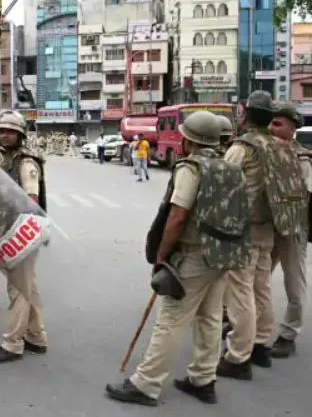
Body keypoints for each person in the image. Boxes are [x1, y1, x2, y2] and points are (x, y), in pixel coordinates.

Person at [106, 110, 250, 406]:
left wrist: (162, 254)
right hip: (223, 254)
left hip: (194, 254)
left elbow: (177, 215)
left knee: (171, 319)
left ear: (189, 140)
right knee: (209, 318)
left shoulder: (191, 168)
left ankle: (146, 384)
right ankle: (203, 379)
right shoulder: (229, 167)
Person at [218, 91, 307, 380]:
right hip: (269, 227)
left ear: (245, 116)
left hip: (244, 229)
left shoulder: (243, 148)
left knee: (240, 290)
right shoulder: (281, 147)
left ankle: (237, 356)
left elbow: (223, 188)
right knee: (261, 287)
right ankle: (260, 344)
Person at [0, 111, 48, 364]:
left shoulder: (25, 162)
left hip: (21, 231)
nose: (5, 135)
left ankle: (12, 343)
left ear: (20, 135)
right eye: (2, 131)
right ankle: (36, 336)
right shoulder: (4, 158)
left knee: (18, 288)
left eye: (11, 131)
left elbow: (31, 201)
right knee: (29, 287)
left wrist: (15, 233)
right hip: (12, 231)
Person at [267, 101, 310, 358]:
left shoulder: (301, 158)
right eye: (270, 122)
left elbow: (307, 194)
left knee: (294, 282)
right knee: (256, 280)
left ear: (292, 129)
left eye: (278, 123)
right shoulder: (263, 151)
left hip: (292, 227)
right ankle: (248, 325)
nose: (271, 128)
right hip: (266, 227)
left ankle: (289, 334)